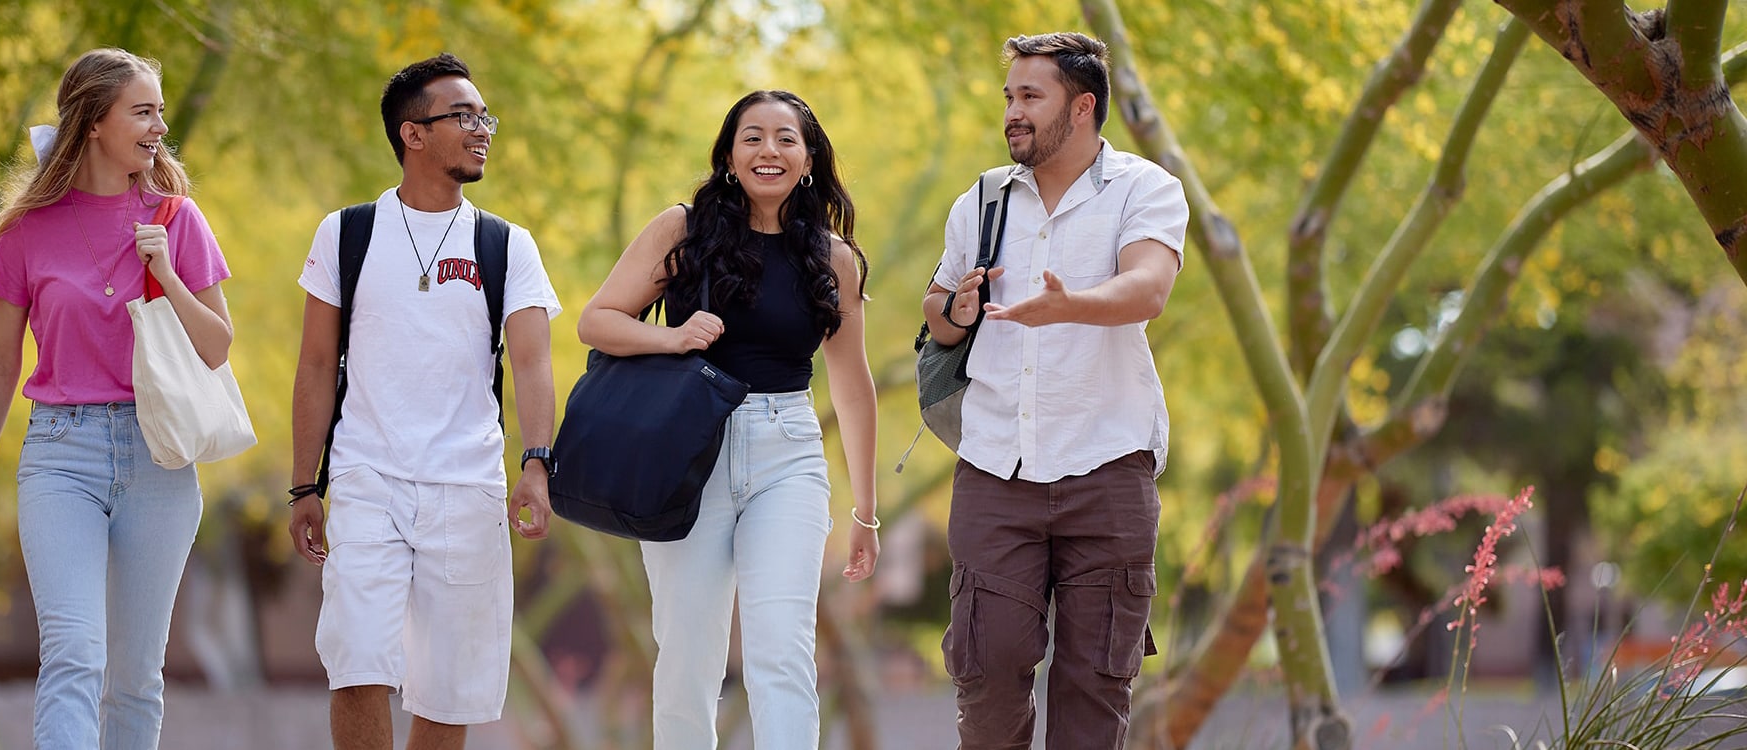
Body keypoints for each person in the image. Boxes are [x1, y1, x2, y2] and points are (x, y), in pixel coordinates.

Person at [0, 48, 233, 750]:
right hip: (59, 456)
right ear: (94, 121)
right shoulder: (26, 230)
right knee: (75, 654)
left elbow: (218, 346)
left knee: (135, 676)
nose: (158, 125)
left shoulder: (178, 219)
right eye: (143, 111)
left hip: (157, 458)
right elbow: (0, 364)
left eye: (160, 110)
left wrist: (164, 267)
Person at [576, 89, 881, 750]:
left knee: (782, 649)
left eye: (784, 138)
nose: (768, 149)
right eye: (752, 136)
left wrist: (865, 512)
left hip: (789, 451)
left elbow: (852, 387)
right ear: (729, 154)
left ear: (808, 160)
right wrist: (673, 338)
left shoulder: (832, 258)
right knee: (688, 654)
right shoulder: (683, 231)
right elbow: (596, 321)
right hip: (688, 450)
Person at [285, 52, 559, 750]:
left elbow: (531, 361)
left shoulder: (506, 244)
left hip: (466, 487)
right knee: (356, 663)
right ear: (413, 134)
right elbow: (316, 364)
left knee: (449, 684)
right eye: (463, 116)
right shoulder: (345, 234)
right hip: (365, 478)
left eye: (484, 116)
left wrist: (536, 464)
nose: (482, 129)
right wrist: (301, 484)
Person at [922, 32, 1187, 749]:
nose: (1013, 111)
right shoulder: (980, 198)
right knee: (987, 666)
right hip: (994, 467)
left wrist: (1073, 304)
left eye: (1030, 97)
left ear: (1082, 107)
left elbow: (1149, 287)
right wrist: (958, 310)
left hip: (1108, 464)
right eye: (1009, 96)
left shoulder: (1145, 188)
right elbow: (938, 311)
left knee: (1097, 679)